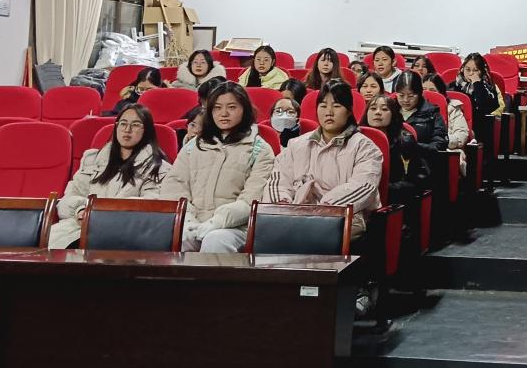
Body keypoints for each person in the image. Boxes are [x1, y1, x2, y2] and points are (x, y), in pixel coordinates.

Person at [160, 82, 275, 252]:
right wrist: (188, 219)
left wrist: (217, 221)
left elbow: (252, 198)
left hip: (236, 227)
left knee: (216, 240)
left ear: (244, 110)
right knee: (175, 237)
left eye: (232, 107)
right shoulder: (194, 145)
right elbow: (174, 185)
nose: (224, 113)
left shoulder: (260, 149)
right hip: (193, 222)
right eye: (217, 108)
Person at [263, 81, 383, 242]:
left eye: (336, 106)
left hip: (342, 218)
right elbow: (278, 181)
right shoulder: (296, 145)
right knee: (267, 232)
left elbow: (363, 187)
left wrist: (321, 210)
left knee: (306, 237)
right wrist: (283, 207)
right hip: (294, 215)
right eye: (323, 105)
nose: (329, 112)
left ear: (349, 111)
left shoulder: (366, 148)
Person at [49, 104, 168, 249]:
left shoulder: (158, 168)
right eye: (123, 123)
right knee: (44, 247)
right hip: (78, 227)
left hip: (124, 233)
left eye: (135, 125)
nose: (127, 129)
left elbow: (151, 207)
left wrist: (103, 215)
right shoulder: (92, 160)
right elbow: (68, 199)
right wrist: (81, 210)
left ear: (147, 131)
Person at [365, 94, 432, 215]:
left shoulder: (405, 141)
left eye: (384, 109)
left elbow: (418, 180)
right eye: (373, 108)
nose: (377, 112)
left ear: (393, 114)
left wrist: (386, 189)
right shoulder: (355, 139)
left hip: (394, 204)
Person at [423, 74, 470, 171]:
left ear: (441, 93)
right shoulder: (413, 108)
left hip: (447, 150)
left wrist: (442, 141)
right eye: (424, 90)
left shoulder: (453, 108)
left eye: (432, 91)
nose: (428, 94)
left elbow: (461, 135)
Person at [394, 71, 448, 151]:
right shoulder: (390, 111)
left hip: (423, 157)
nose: (406, 100)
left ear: (420, 94)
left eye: (411, 96)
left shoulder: (432, 113)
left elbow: (439, 144)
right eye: (401, 95)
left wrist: (415, 146)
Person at [453, 52, 505, 120]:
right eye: (468, 69)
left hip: (480, 122)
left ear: (481, 72)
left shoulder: (489, 86)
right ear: (462, 69)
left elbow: (487, 107)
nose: (471, 73)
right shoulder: (453, 86)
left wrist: (477, 83)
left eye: (475, 70)